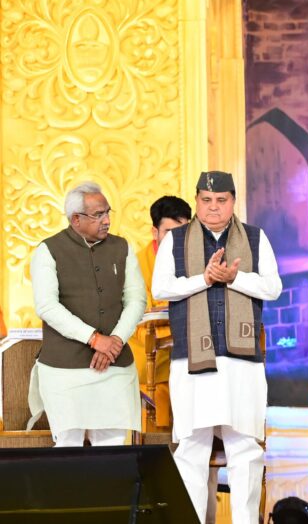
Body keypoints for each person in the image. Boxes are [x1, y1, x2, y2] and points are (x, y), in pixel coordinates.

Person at [153, 171, 283, 524]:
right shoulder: (175, 240)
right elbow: (160, 288)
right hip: (192, 364)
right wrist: (205, 279)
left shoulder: (255, 237)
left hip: (242, 365)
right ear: (196, 200)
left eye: (221, 200)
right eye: (206, 200)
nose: (213, 207)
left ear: (233, 202)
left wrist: (234, 278)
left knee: (245, 449)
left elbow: (273, 288)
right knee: (192, 449)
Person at [28, 181, 145, 446]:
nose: (107, 220)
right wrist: (94, 339)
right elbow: (47, 306)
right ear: (76, 219)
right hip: (64, 369)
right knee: (68, 447)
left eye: (108, 212)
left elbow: (137, 300)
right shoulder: (48, 250)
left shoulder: (122, 247)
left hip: (114, 367)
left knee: (112, 448)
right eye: (98, 215)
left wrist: (114, 342)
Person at [127, 195, 191, 429]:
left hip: (189, 358)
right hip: (152, 362)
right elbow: (141, 320)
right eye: (169, 232)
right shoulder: (135, 266)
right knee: (158, 433)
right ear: (155, 232)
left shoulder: (198, 260)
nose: (177, 239)